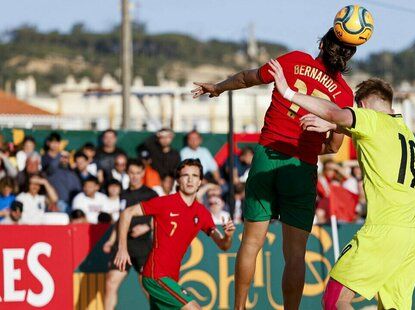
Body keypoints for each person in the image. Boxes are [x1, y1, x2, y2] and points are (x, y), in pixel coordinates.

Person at [191, 27, 356, 310]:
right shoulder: (343, 93)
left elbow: (247, 78)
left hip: (267, 156)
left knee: (251, 243)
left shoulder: (294, 60)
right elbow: (333, 146)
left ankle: (239, 307)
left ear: (322, 43)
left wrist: (218, 87)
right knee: (294, 255)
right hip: (301, 167)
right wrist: (307, 148)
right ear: (349, 55)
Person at [269, 61, 415, 310]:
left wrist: (289, 93)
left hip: (383, 231)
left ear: (361, 105)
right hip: (413, 234)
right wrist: (334, 126)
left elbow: (335, 112)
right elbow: (364, 131)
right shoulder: (404, 131)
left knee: (334, 301)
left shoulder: (370, 119)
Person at [113, 159, 235, 309]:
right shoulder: (164, 202)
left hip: (171, 277)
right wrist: (122, 248)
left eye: (195, 176)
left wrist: (228, 236)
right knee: (194, 308)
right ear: (178, 180)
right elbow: (127, 212)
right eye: (185, 175)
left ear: (200, 182)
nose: (190, 179)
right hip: (155, 275)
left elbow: (223, 245)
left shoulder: (202, 213)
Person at [102, 159, 159, 310]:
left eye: (138, 173)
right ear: (127, 173)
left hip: (143, 246)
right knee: (111, 282)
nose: (134, 176)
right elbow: (119, 221)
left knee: (147, 287)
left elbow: (161, 218)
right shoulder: (123, 195)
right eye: (131, 173)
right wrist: (110, 240)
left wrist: (147, 227)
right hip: (123, 245)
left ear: (142, 173)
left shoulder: (150, 194)